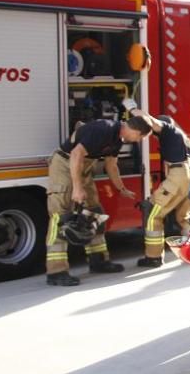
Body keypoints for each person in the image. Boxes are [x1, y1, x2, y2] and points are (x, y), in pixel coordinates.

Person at [44, 116, 152, 286]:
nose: (138, 141)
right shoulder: (104, 129)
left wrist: (121, 188)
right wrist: (77, 188)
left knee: (94, 212)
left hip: (83, 167)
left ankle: (98, 261)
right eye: (140, 137)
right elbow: (76, 154)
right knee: (61, 216)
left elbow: (111, 165)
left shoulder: (117, 139)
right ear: (136, 131)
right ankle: (56, 272)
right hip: (65, 165)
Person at [132, 108, 190, 268]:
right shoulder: (181, 137)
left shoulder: (167, 129)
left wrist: (131, 108)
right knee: (184, 217)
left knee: (153, 214)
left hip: (178, 174)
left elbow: (150, 121)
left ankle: (153, 257)